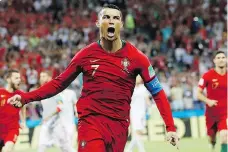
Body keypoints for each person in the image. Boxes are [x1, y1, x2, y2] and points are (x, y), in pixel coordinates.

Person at [8, 4, 179, 152]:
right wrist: (26, 97)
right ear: (98, 23)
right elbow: (58, 83)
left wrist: (170, 126)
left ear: (121, 24)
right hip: (90, 122)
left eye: (115, 18)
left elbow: (157, 92)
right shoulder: (85, 55)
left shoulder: (137, 58)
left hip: (119, 126)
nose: (111, 21)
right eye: (106, 17)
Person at [37, 70, 75, 152]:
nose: (41, 78)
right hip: (47, 124)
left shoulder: (54, 90)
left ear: (49, 78)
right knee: (41, 146)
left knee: (66, 148)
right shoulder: (42, 90)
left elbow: (60, 106)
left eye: (43, 76)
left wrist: (48, 116)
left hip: (57, 124)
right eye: (40, 76)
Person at [197, 51, 227, 152]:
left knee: (224, 136)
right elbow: (198, 94)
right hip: (211, 113)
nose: (221, 59)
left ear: (226, 60)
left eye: (223, 57)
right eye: (218, 58)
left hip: (225, 113)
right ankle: (212, 143)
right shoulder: (207, 76)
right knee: (212, 137)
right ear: (214, 60)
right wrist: (208, 101)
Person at [0, 69, 26, 152]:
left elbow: (23, 107)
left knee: (7, 149)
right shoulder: (0, 93)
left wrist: (23, 121)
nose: (19, 80)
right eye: (16, 78)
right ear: (8, 79)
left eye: (19, 78)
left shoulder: (20, 94)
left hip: (12, 129)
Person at [126, 75, 151, 152]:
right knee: (137, 132)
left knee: (138, 133)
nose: (139, 79)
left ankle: (128, 150)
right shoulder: (130, 88)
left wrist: (150, 109)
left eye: (140, 77)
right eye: (138, 77)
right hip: (134, 112)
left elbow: (147, 100)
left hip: (142, 112)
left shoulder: (143, 88)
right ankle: (141, 150)